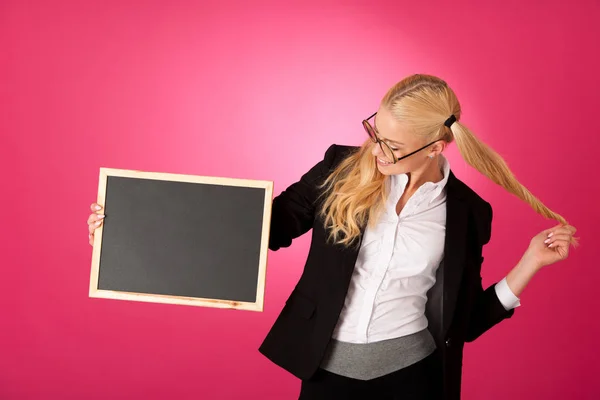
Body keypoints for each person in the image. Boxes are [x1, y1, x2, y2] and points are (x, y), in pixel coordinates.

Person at [87, 74, 578, 400]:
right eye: (374, 131)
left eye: (393, 145)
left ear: (437, 146)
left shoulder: (470, 213)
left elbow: (463, 320)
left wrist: (529, 264)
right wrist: (133, 232)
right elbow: (268, 228)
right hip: (325, 373)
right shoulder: (341, 168)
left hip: (414, 381)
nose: (376, 150)